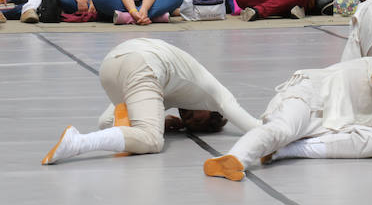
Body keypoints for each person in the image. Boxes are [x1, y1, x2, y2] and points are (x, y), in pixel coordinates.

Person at [203, 57, 372, 181]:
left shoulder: (369, 124)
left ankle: (284, 151)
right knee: (282, 130)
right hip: (308, 94)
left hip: (323, 127)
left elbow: (370, 134)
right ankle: (233, 159)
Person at [41, 38, 260, 164]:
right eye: (196, 120)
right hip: (141, 65)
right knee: (152, 140)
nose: (189, 119)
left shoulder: (175, 92)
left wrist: (163, 124)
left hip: (111, 65)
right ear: (213, 114)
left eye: (190, 124)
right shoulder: (218, 95)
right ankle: (78, 142)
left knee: (117, 125)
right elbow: (255, 128)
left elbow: (106, 122)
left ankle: (79, 141)